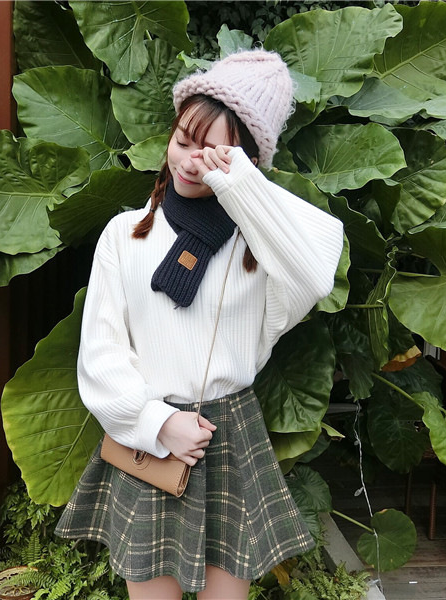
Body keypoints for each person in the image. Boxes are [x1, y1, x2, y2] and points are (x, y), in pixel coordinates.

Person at [55, 50, 344, 600]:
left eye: (215, 153)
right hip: (151, 436)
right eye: (185, 141)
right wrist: (158, 422)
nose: (191, 162)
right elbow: (101, 352)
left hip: (230, 438)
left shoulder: (260, 247)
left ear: (246, 163)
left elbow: (316, 272)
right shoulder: (125, 234)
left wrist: (239, 186)